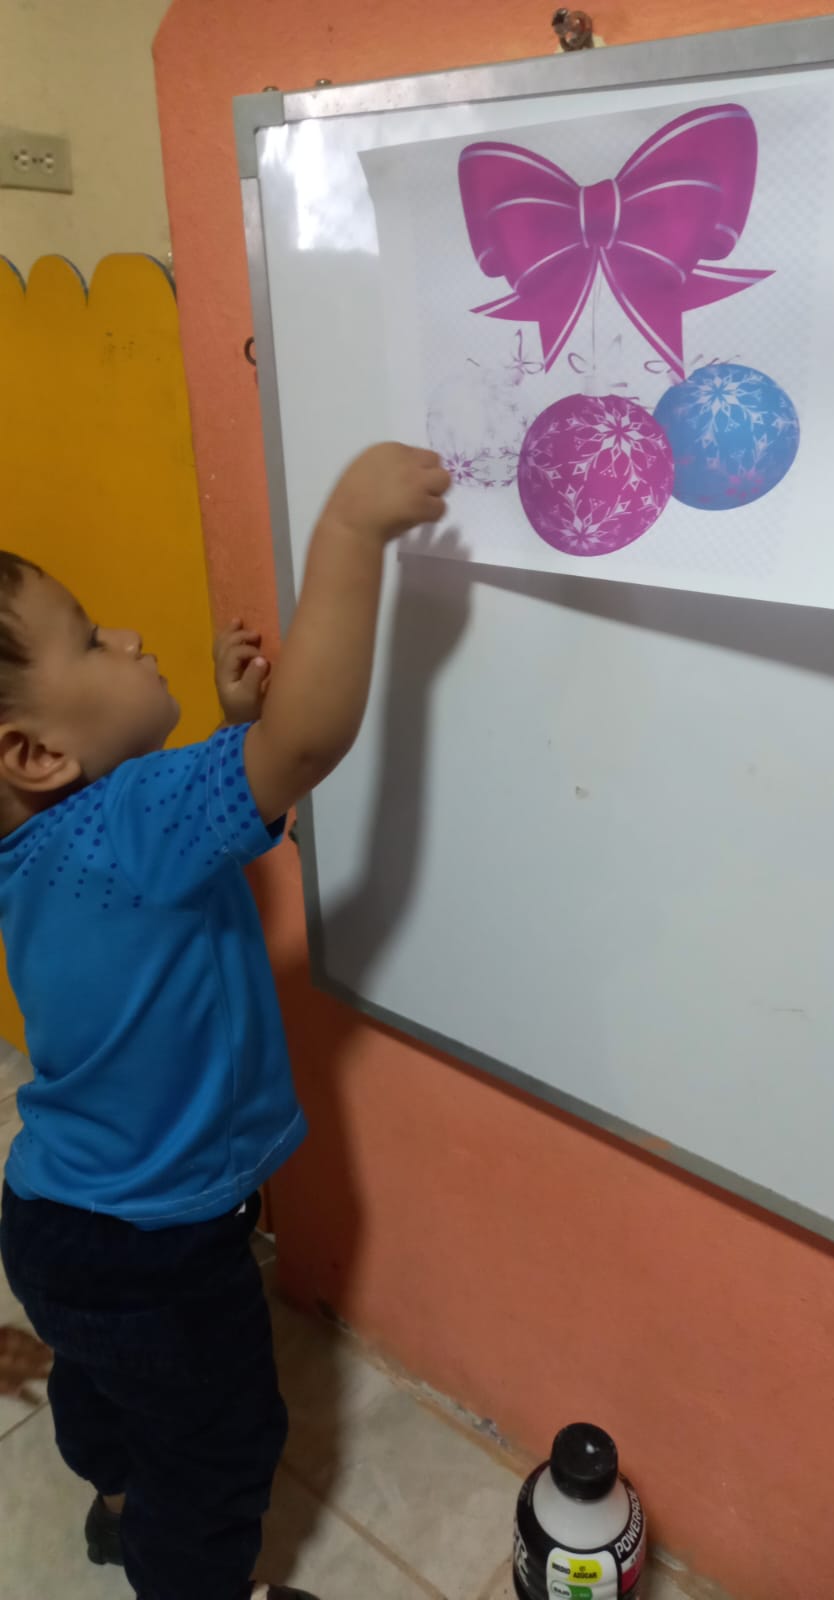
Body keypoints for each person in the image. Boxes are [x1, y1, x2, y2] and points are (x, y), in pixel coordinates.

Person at [0, 443, 450, 1600]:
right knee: (219, 1447)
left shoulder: (43, 848)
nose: (126, 637)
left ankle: (113, 1498)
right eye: (89, 638)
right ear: (36, 753)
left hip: (53, 1220)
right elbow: (302, 747)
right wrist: (350, 530)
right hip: (159, 1247)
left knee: (106, 1385)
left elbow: (150, 859)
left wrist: (225, 725)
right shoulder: (131, 822)